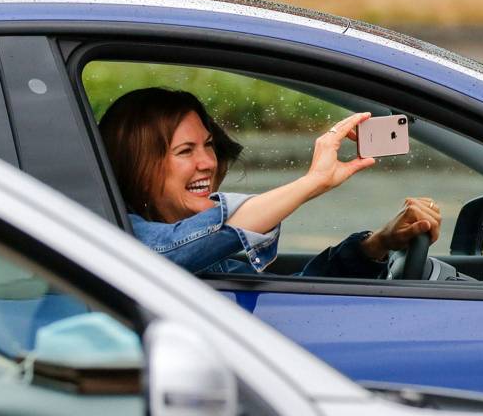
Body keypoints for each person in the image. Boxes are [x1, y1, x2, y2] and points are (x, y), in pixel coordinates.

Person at [98, 88, 441, 276]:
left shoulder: (215, 262)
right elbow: (167, 251)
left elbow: (289, 304)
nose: (207, 162)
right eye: (185, 151)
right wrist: (314, 182)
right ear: (138, 169)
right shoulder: (119, 240)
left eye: (207, 145)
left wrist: (376, 245)